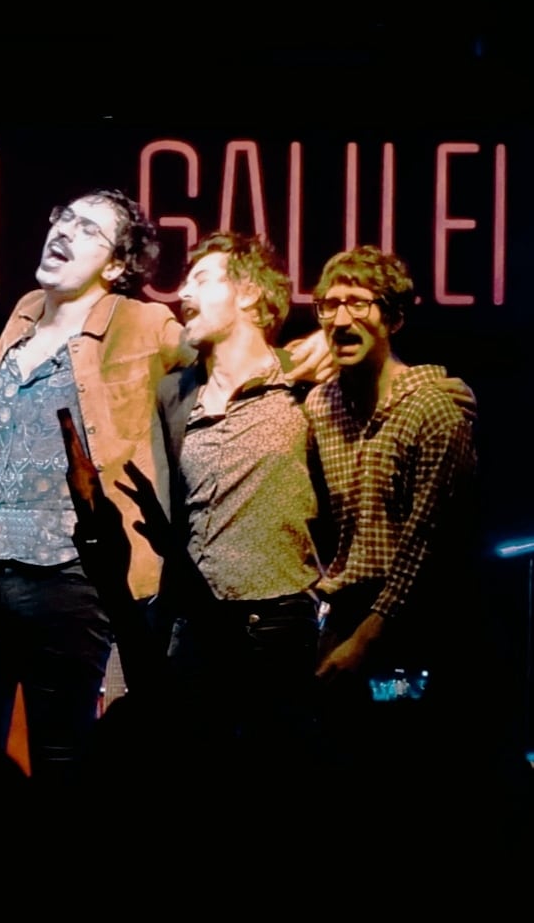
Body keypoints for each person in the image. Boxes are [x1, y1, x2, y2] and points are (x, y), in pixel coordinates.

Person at [0, 191, 332, 789]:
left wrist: (308, 351)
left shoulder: (143, 322)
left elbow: (224, 355)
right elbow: (7, 369)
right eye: (64, 217)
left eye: (89, 228)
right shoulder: (23, 311)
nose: (66, 230)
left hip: (68, 576)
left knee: (63, 759)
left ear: (115, 265)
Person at [305, 245, 479, 836]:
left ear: (394, 318)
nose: (339, 317)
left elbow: (431, 543)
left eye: (358, 302)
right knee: (337, 785)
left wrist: (367, 639)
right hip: (343, 615)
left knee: (404, 777)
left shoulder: (434, 409)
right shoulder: (322, 406)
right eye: (328, 304)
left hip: (410, 626)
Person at [150, 231, 324, 781]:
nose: (181, 292)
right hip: (196, 629)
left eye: (201, 279)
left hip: (279, 628)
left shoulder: (304, 387)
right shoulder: (174, 395)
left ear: (249, 294)